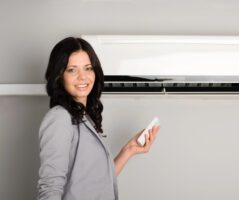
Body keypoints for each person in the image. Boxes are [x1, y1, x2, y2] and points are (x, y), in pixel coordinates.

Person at [37, 37, 160, 200]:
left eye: (88, 68)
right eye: (72, 70)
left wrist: (129, 150)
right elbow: (49, 191)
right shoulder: (59, 118)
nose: (83, 77)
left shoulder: (84, 117)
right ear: (59, 76)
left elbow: (98, 183)